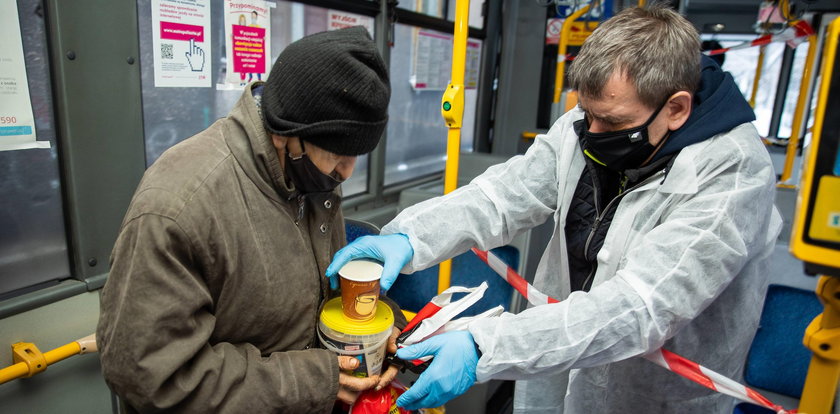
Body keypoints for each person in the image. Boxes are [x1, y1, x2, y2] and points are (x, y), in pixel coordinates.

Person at [327, 5, 782, 413]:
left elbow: (641, 306)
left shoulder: (733, 173)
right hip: (557, 362)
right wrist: (409, 237)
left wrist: (485, 346)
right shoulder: (586, 124)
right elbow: (504, 195)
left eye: (614, 123)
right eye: (588, 114)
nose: (593, 133)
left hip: (652, 391)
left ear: (676, 108)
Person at [97, 26, 406, 413]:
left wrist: (377, 323)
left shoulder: (311, 172)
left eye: (356, 154)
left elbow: (315, 288)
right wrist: (313, 381)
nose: (347, 171)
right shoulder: (178, 207)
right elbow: (150, 375)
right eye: (338, 155)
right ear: (284, 134)